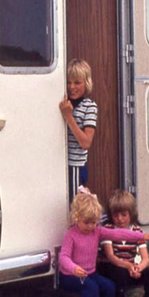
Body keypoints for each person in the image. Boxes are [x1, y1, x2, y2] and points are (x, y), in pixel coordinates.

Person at [58, 193, 149, 297]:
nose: (91, 226)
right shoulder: (71, 235)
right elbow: (64, 257)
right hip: (71, 276)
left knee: (109, 286)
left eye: (94, 222)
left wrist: (142, 236)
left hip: (90, 273)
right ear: (76, 218)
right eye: (87, 223)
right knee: (90, 287)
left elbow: (120, 234)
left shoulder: (97, 232)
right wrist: (74, 269)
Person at [97, 190, 149, 297]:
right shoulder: (109, 229)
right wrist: (128, 266)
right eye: (116, 215)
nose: (120, 219)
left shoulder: (137, 231)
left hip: (131, 267)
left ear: (131, 214)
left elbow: (145, 258)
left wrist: (138, 268)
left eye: (124, 215)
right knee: (120, 275)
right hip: (114, 267)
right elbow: (111, 256)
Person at [59, 59, 97, 198]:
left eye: (77, 82)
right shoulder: (62, 101)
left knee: (74, 207)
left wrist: (69, 117)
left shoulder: (89, 106)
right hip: (57, 163)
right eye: (68, 82)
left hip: (75, 166)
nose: (72, 87)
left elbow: (86, 143)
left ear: (86, 83)